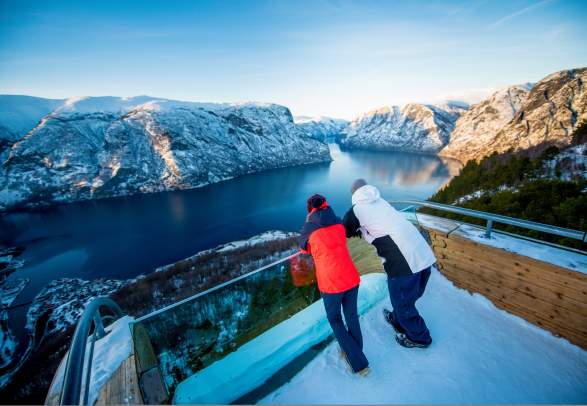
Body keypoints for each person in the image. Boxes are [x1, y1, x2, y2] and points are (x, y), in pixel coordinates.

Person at [342, 179, 435, 348]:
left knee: (402, 301)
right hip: (423, 254)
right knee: (405, 298)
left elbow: (342, 231)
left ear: (354, 193)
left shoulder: (356, 210)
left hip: (404, 263)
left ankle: (420, 338)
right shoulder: (380, 200)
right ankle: (397, 320)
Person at [299, 193, 370, 375]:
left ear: (310, 210)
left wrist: (309, 222)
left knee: (335, 319)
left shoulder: (309, 227)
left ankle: (359, 364)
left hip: (331, 283)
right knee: (351, 316)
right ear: (326, 205)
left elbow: (303, 247)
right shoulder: (338, 222)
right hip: (350, 276)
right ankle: (355, 353)